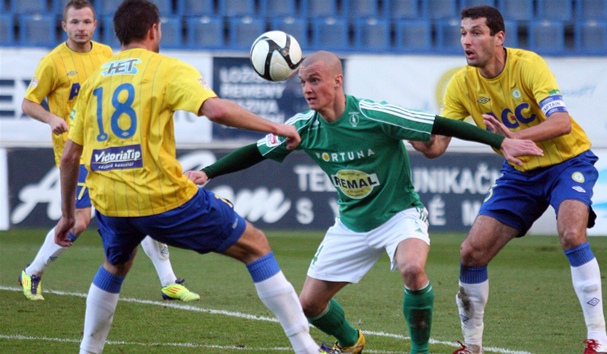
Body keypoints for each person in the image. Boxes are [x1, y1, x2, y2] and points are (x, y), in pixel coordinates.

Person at [185, 50, 543, 354]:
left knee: (413, 270)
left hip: (399, 215)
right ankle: (351, 341)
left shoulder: (374, 114)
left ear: (337, 81)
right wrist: (209, 173)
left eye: (315, 80)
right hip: (351, 224)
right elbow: (257, 151)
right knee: (308, 306)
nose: (308, 89)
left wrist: (500, 142)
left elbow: (438, 124)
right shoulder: (303, 127)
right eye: (303, 83)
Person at [53, 1, 333, 353]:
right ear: (154, 30)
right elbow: (214, 109)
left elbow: (69, 156)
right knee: (256, 246)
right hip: (161, 196)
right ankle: (306, 349)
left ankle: (87, 351)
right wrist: (275, 126)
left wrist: (68, 215)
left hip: (109, 199)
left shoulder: (94, 79)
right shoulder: (165, 68)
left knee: (116, 263)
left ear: (118, 34)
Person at [409, 5, 607, 354]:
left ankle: (599, 340)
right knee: (472, 252)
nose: (466, 41)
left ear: (498, 37)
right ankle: (472, 347)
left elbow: (562, 122)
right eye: (462, 33)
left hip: (567, 161)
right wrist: (405, 131)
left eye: (475, 32)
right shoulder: (461, 84)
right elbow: (436, 147)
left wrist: (515, 137)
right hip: (520, 173)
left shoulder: (527, 65)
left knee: (571, 232)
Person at [19, 0, 199, 302]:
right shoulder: (53, 62)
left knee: (143, 204)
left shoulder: (106, 55)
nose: (81, 28)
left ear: (95, 25)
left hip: (109, 148)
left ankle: (169, 281)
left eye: (86, 22)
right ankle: (33, 271)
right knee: (80, 219)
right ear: (64, 26)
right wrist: (51, 117)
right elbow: (28, 102)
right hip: (75, 153)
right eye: (74, 22)